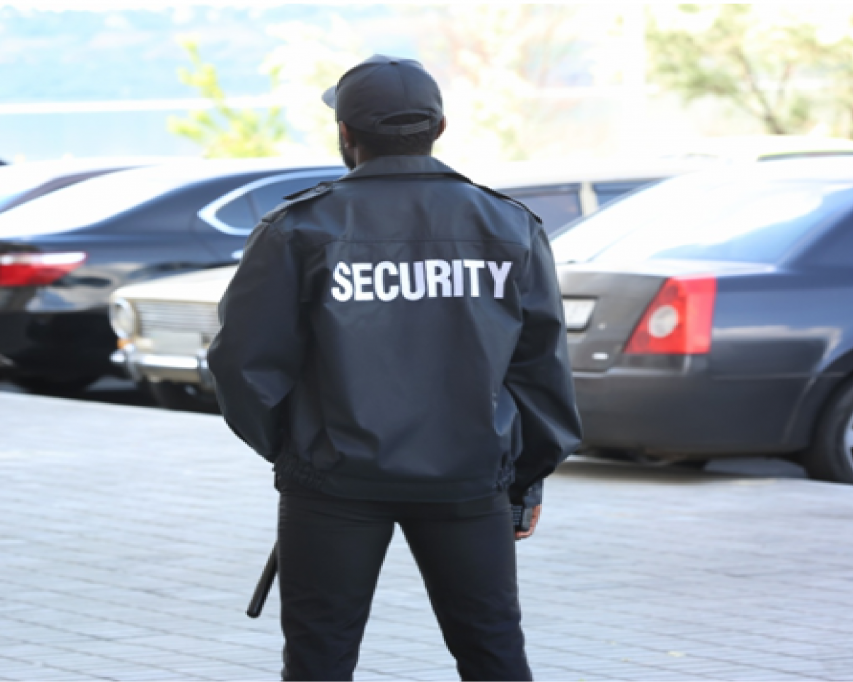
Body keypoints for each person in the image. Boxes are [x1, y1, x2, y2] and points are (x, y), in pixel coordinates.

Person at [208, 55, 582, 682]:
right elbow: (541, 369)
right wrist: (525, 479)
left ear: (347, 135)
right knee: (492, 651)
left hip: (332, 484)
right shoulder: (508, 225)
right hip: (469, 480)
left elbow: (241, 365)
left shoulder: (299, 227)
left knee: (319, 657)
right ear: (439, 128)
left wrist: (300, 452)